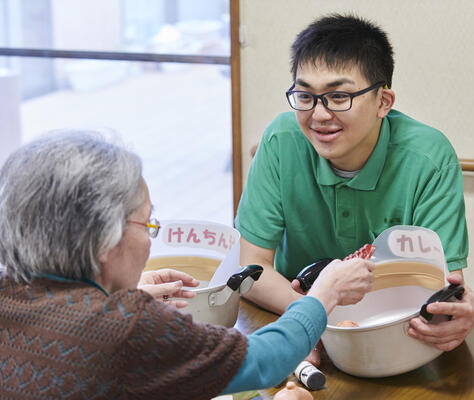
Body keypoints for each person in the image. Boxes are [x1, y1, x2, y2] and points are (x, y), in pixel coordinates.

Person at [0, 131, 374, 399]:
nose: (150, 239)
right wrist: (323, 295)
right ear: (103, 240)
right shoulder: (127, 327)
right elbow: (263, 361)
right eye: (147, 224)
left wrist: (123, 294)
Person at [235, 13, 474, 362]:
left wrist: (465, 306)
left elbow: (441, 285)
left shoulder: (429, 158)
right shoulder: (280, 140)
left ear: (384, 102)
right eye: (305, 96)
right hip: (296, 324)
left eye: (338, 97)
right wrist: (315, 315)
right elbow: (253, 270)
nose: (319, 115)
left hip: (394, 334)